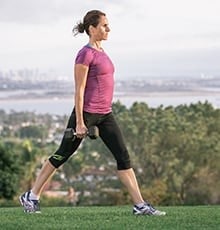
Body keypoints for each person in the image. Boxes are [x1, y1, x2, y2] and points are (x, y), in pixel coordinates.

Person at [19, 10, 166, 216]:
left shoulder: (102, 51)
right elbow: (79, 91)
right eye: (104, 25)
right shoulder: (85, 54)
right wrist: (80, 122)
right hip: (86, 114)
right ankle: (32, 196)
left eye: (108, 25)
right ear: (92, 29)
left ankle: (139, 205)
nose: (108, 29)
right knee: (63, 154)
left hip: (105, 114)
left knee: (123, 157)